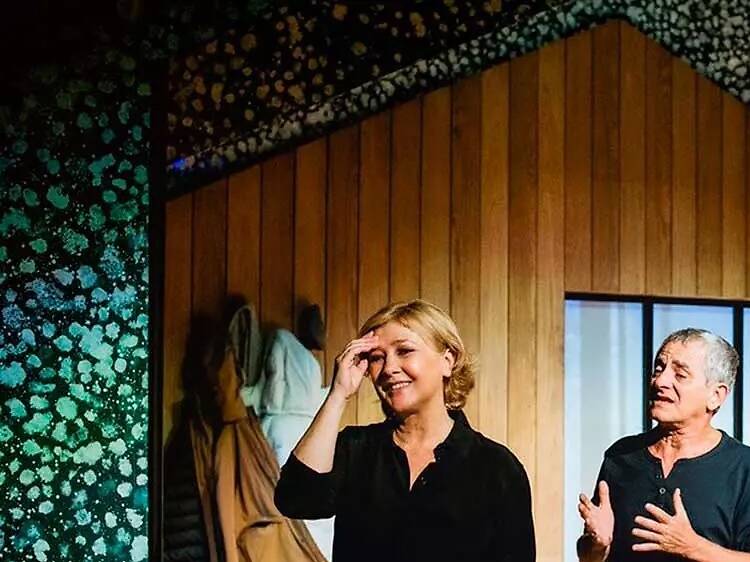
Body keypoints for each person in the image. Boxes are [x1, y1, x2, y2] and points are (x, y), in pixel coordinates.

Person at [274, 299, 536, 562]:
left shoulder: (497, 468)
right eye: (377, 357)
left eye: (405, 351)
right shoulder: (355, 448)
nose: (388, 368)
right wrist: (338, 394)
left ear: (447, 361)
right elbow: (296, 499)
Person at [578, 328, 750, 562]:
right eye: (659, 369)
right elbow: (589, 557)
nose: (660, 381)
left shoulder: (742, 467)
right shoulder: (621, 456)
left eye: (680, 374)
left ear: (715, 396)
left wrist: (693, 547)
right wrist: (598, 545)